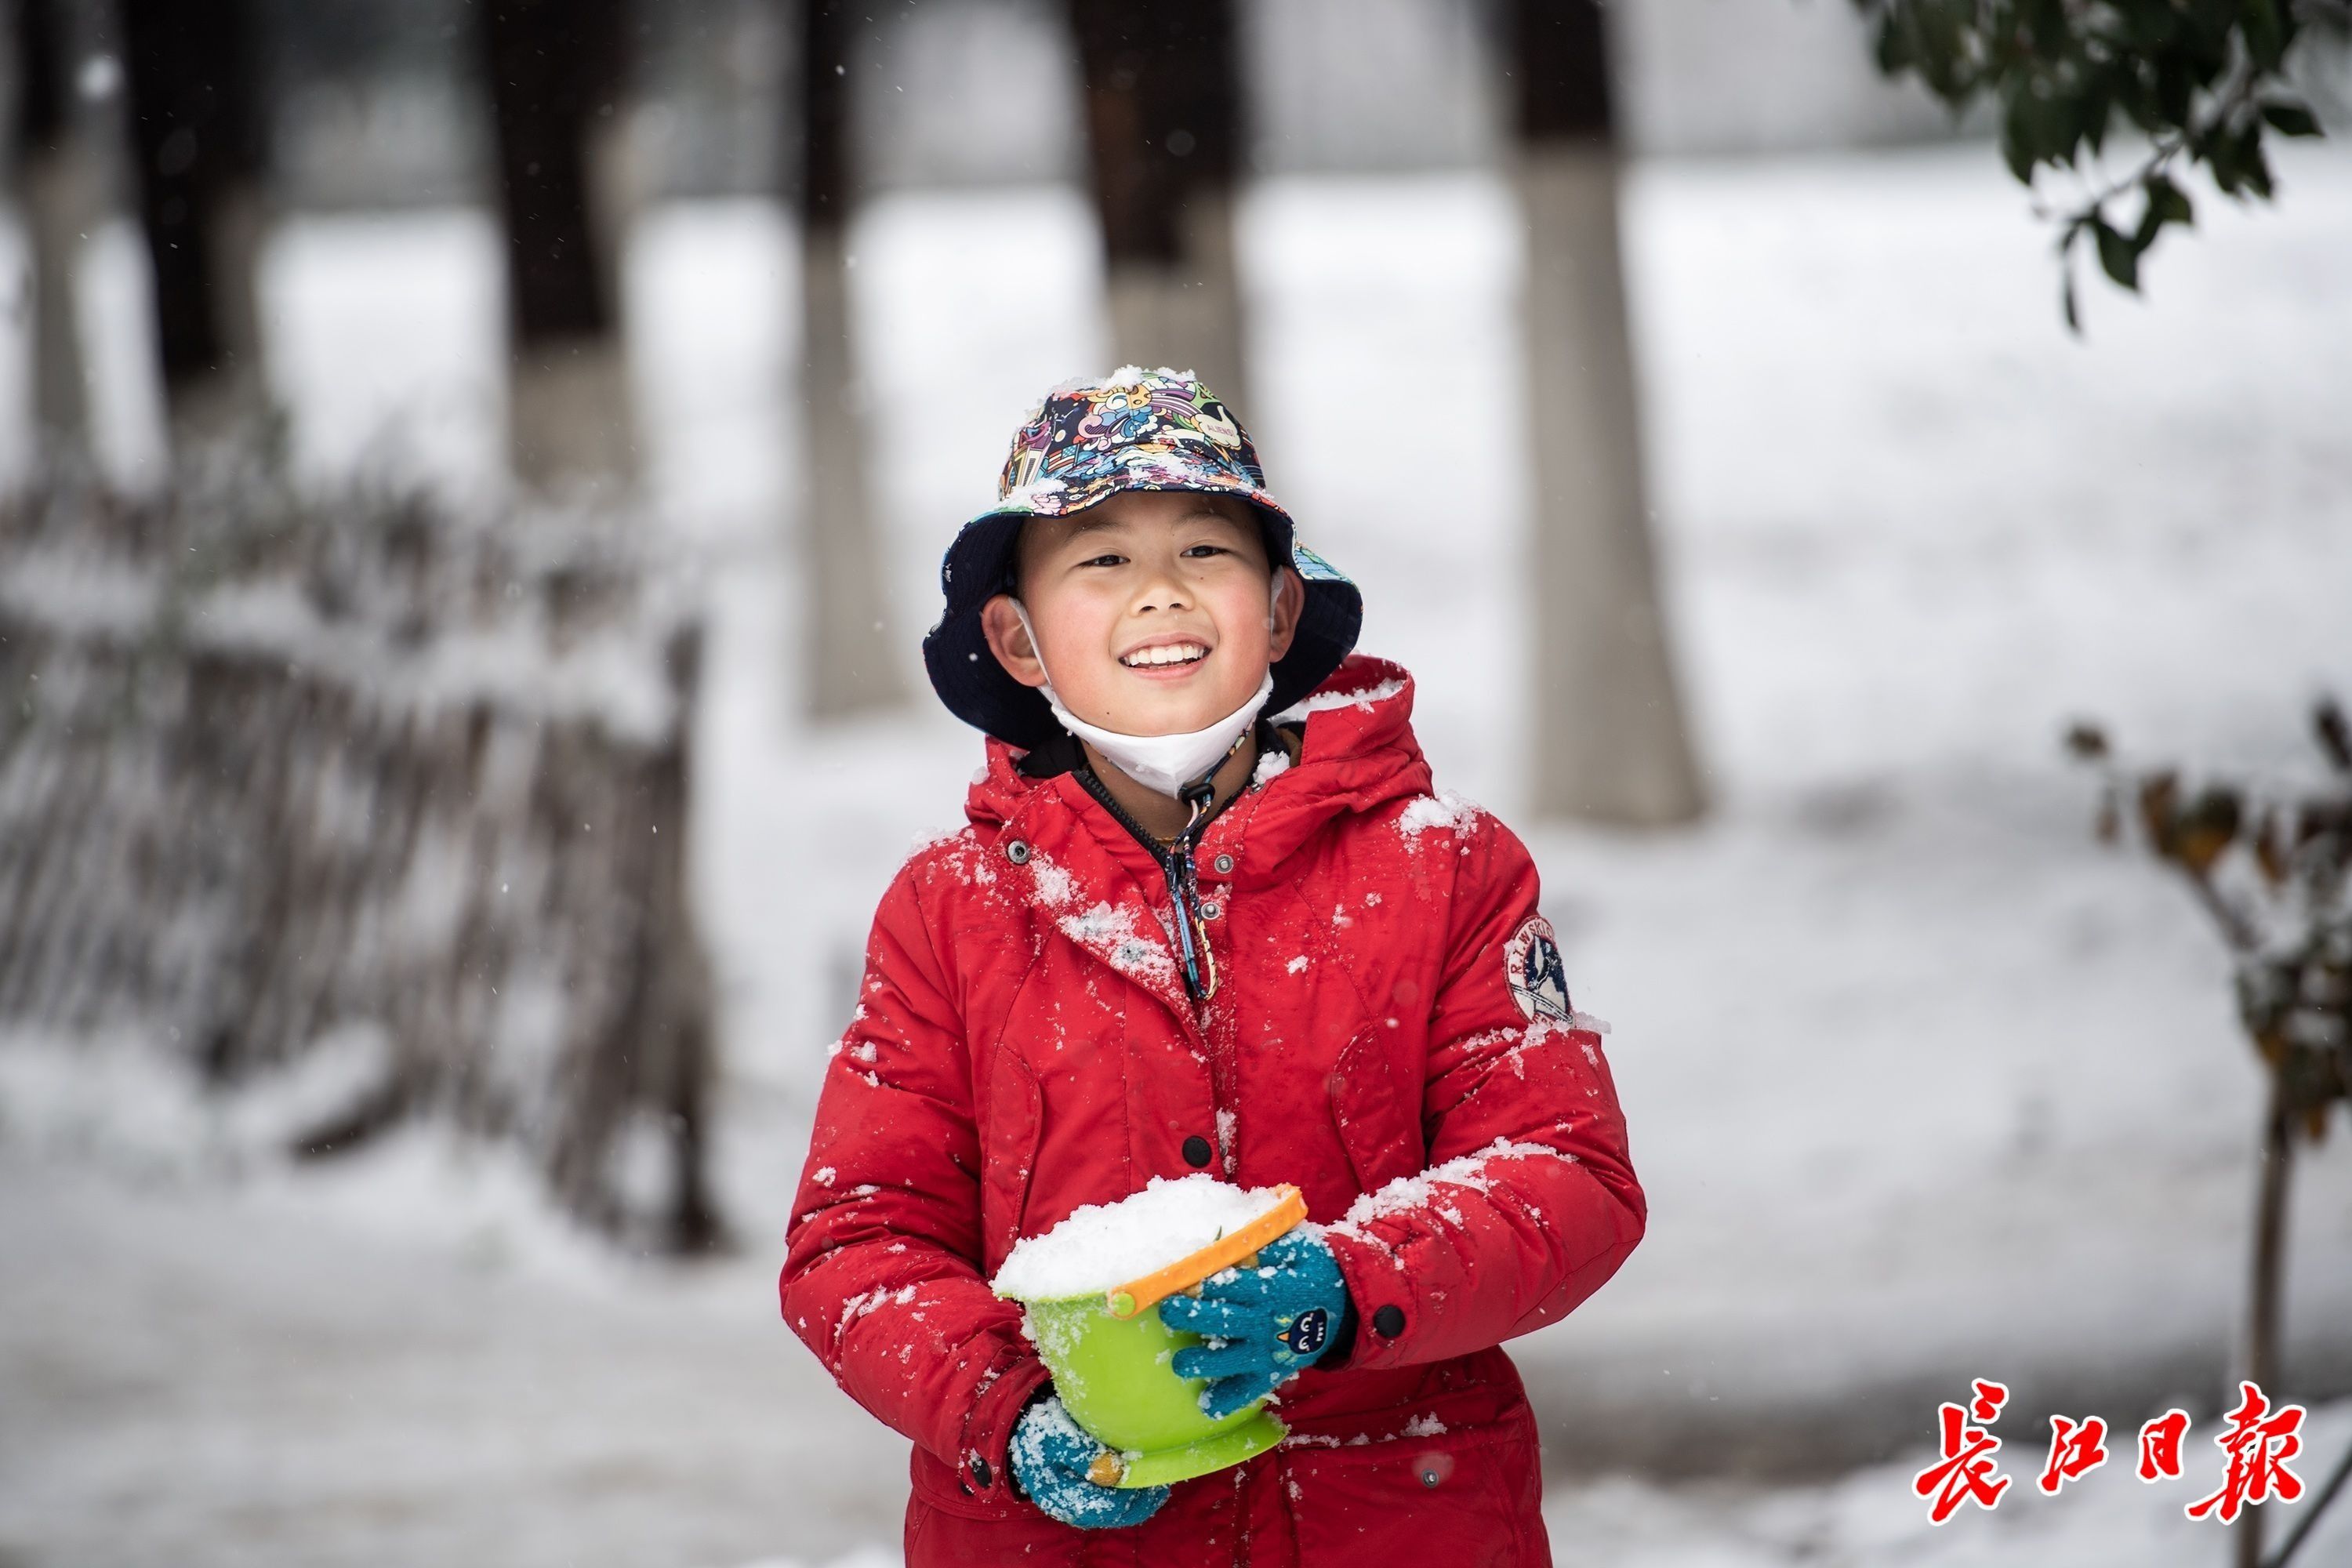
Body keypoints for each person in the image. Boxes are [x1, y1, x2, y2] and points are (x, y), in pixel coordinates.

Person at [782, 367, 1645, 1565]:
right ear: (1015, 638)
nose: (1161, 595)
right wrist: (1006, 1409)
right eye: (1101, 561)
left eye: (1204, 549)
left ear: (1281, 613)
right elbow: (856, 1245)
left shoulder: (1444, 870)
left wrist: (1348, 1286)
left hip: (1402, 1518)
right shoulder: (951, 914)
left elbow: (1568, 1176)